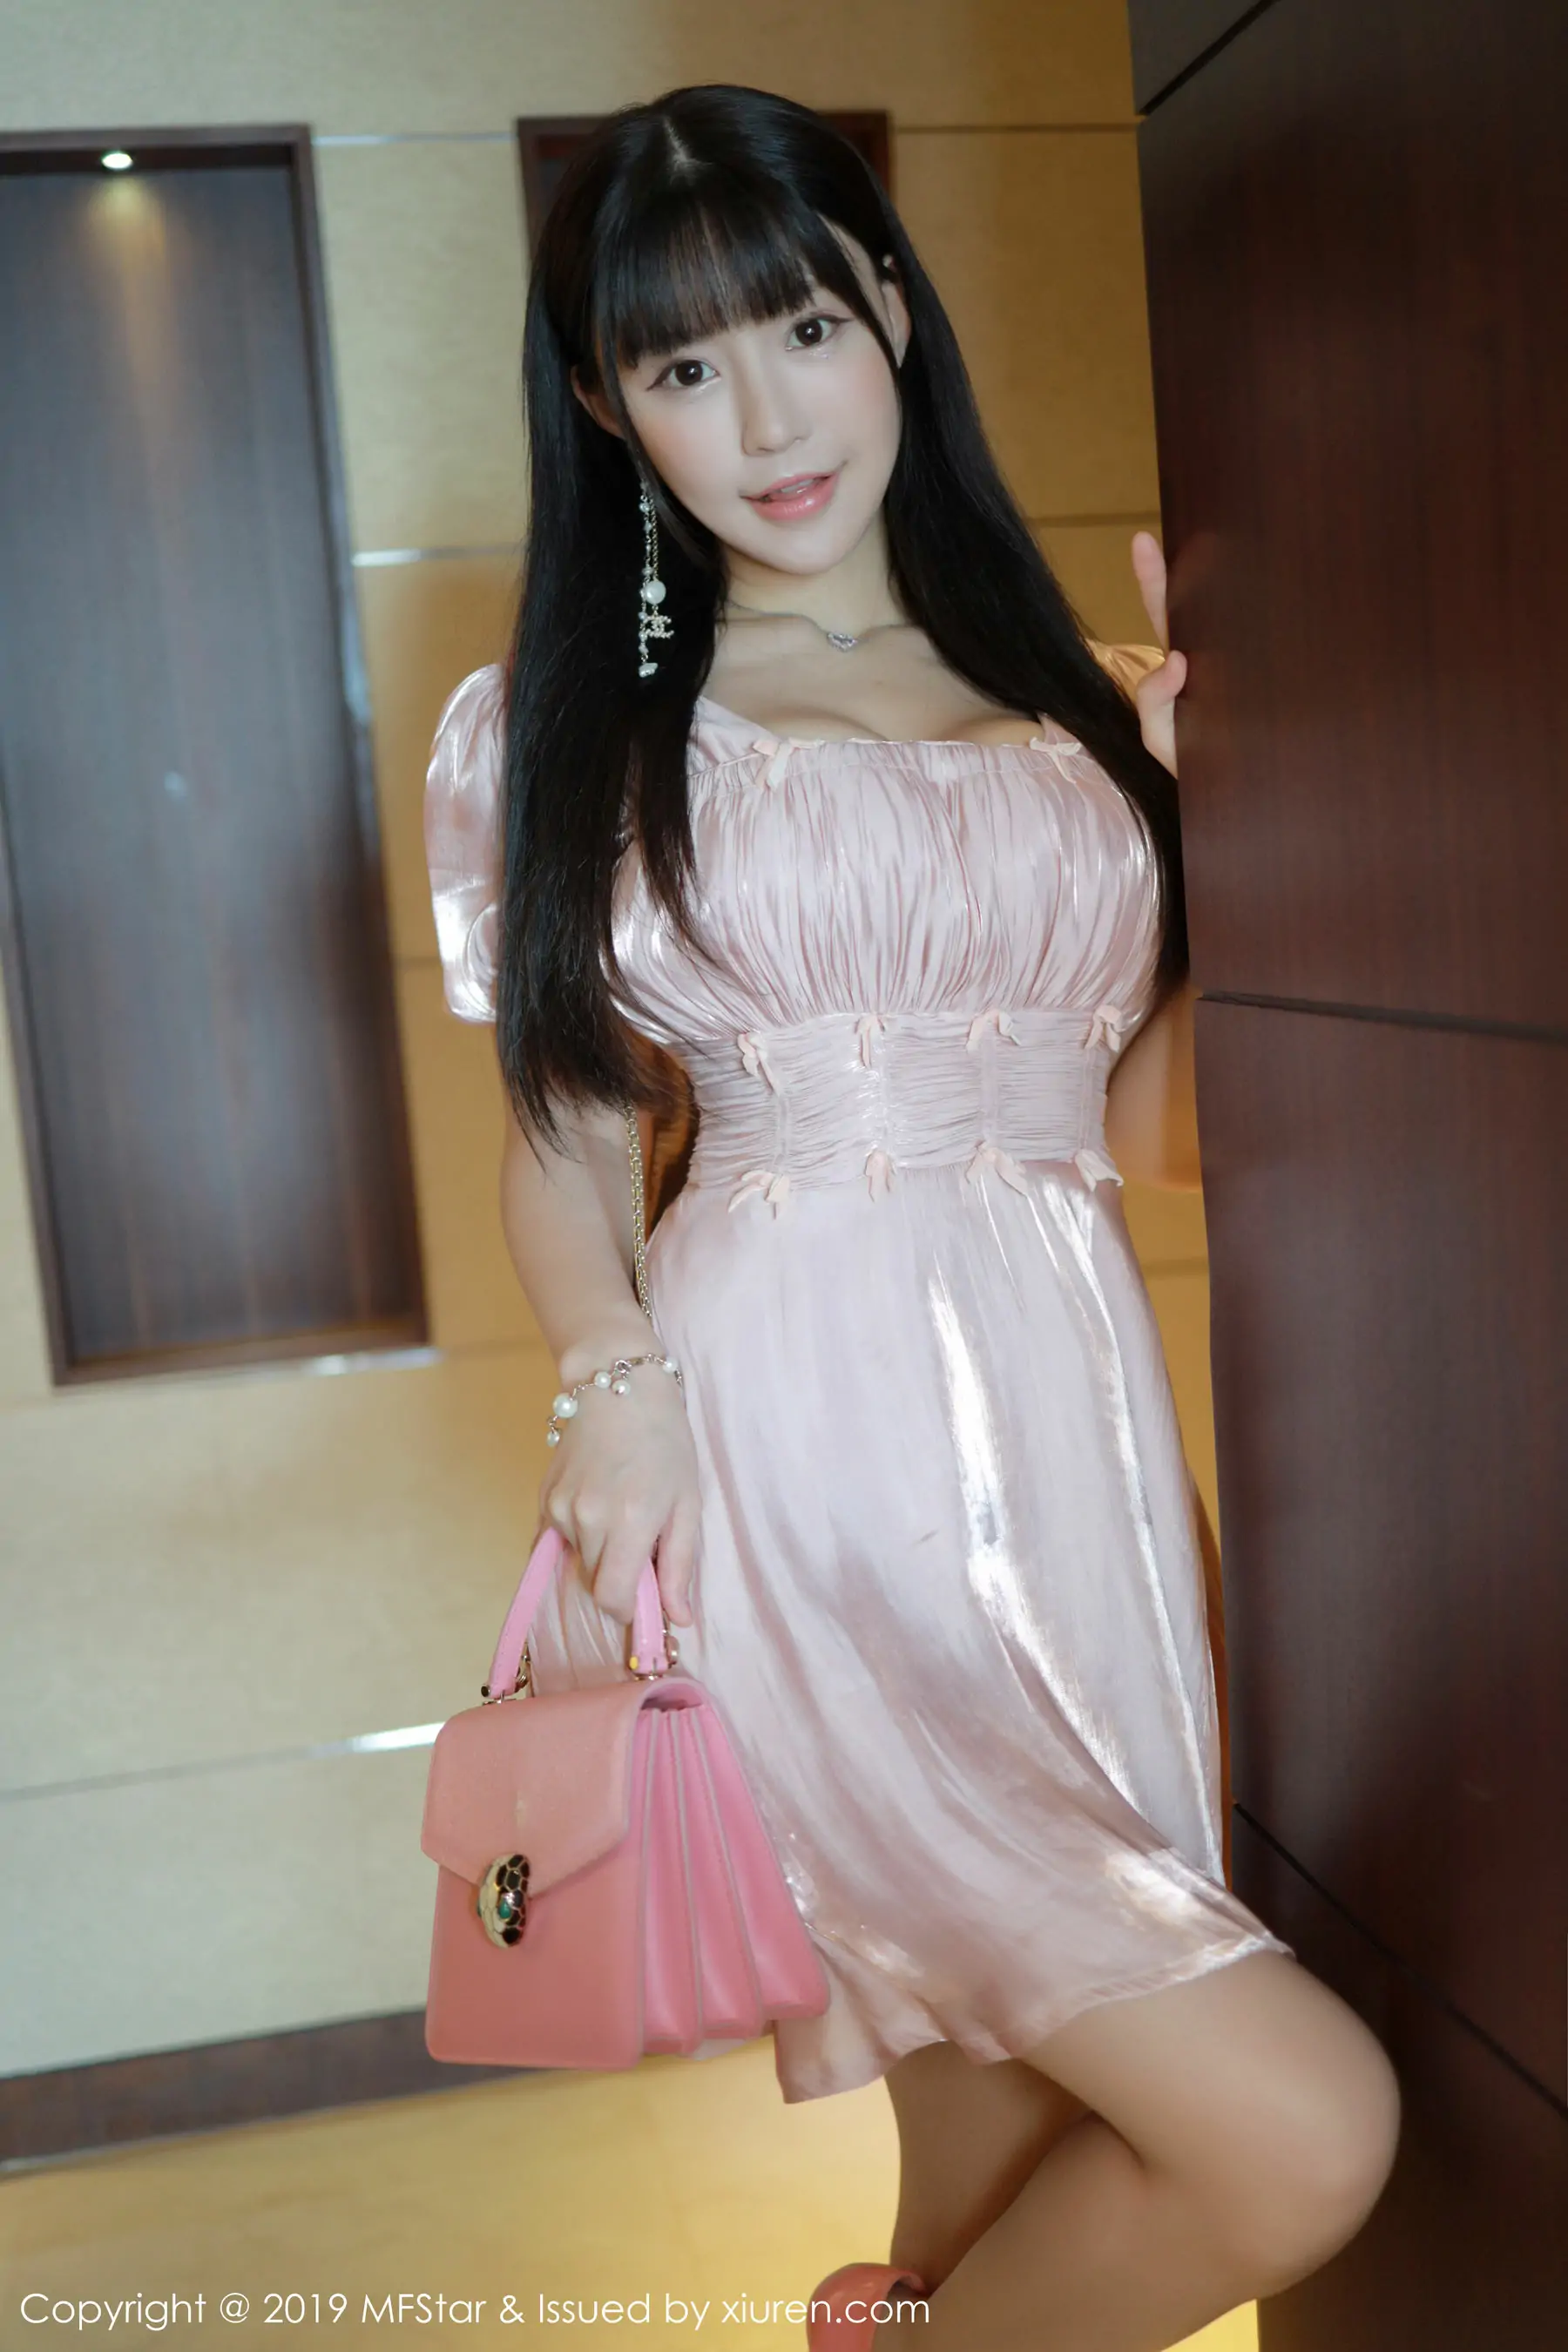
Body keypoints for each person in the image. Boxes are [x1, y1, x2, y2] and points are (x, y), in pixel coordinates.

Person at [422, 83, 1399, 2352]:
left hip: (1074, 1463)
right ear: (609, 408)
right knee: (1300, 2132)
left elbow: (1148, 1123)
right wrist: (614, 1386)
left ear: (890, 309)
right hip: (793, 1462)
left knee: (1006, 2139)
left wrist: (1253, 819)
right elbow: (562, 1130)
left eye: (803, 327)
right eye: (685, 364)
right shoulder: (574, 732)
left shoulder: (1084, 712)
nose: (767, 418)